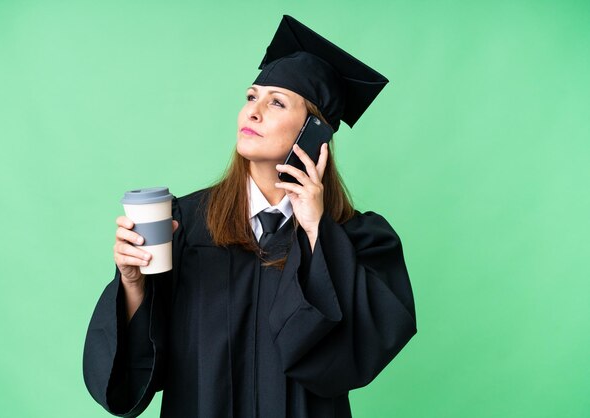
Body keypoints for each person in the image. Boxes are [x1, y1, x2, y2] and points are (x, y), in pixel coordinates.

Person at [83, 15, 416, 418]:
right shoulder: (185, 223)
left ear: (316, 132)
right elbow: (140, 367)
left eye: (276, 102)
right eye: (251, 97)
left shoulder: (357, 238)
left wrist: (315, 231)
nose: (252, 112)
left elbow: (350, 358)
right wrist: (133, 285)